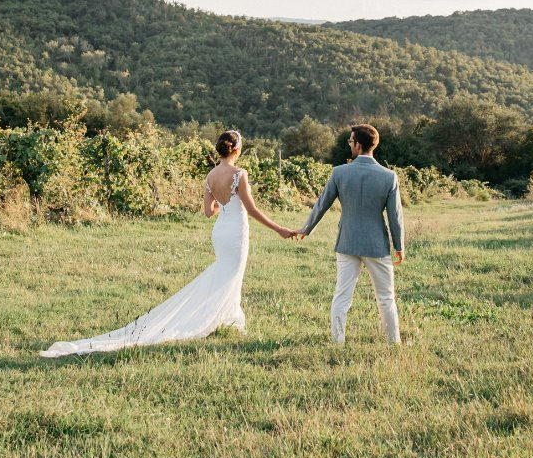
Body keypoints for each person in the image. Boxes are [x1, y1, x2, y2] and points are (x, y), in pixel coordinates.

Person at [40, 129, 300, 358]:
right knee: (230, 275)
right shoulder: (239, 174)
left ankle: (229, 318)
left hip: (220, 232)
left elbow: (208, 212)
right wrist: (279, 229)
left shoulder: (210, 176)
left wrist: (225, 207)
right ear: (238, 150)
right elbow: (251, 210)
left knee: (225, 274)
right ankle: (219, 320)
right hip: (235, 233)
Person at [295, 123, 404, 344]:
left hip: (347, 243)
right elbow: (395, 216)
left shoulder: (339, 172)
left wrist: (306, 229)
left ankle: (338, 342)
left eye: (350, 141)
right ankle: (394, 343)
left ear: (358, 145)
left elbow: (321, 205)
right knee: (386, 297)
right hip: (377, 245)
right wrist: (399, 246)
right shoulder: (389, 176)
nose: (349, 144)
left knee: (342, 295)